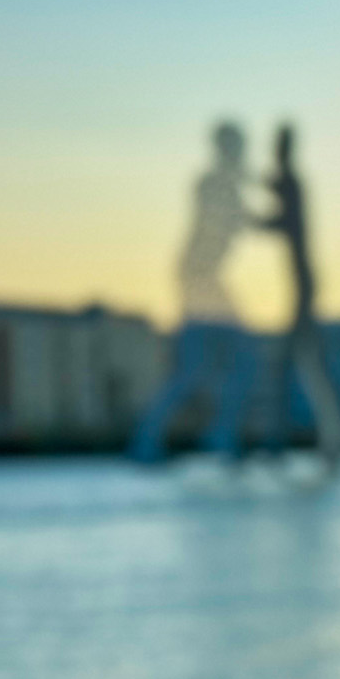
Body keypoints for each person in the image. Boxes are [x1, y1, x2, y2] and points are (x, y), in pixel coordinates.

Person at [130, 121, 260, 462]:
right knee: (203, 370)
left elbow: (245, 217)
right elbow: (237, 218)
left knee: (218, 367)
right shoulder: (214, 183)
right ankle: (156, 440)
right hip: (199, 280)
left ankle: (212, 434)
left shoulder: (226, 183)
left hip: (206, 280)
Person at [261, 122, 340, 470]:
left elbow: (284, 224)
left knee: (297, 364)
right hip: (301, 284)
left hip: (303, 286)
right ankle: (327, 442)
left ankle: (287, 444)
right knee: (305, 364)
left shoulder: (291, 183)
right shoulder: (287, 182)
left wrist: (245, 218)